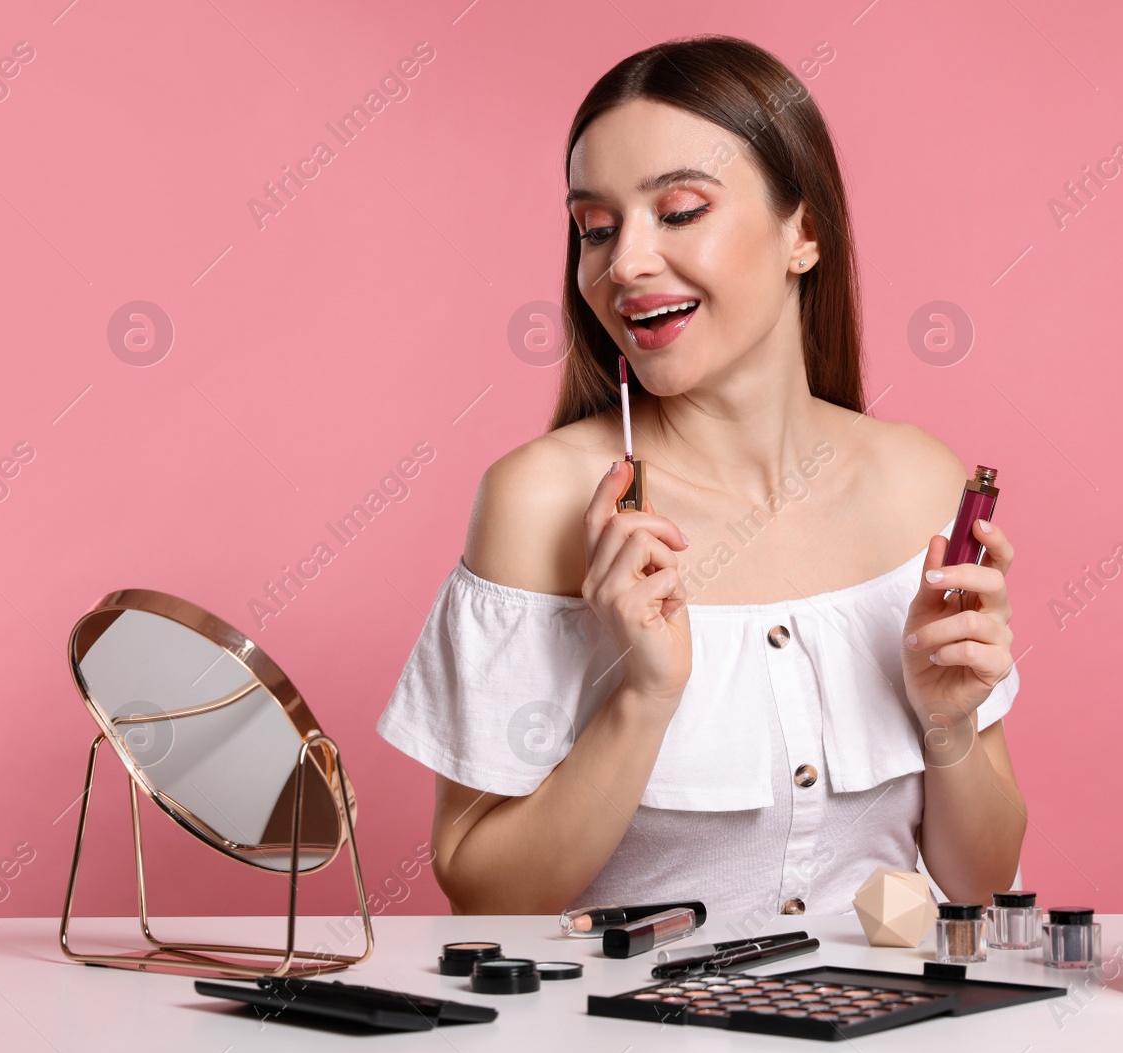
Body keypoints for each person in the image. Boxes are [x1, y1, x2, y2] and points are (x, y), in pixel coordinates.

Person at [377, 35, 1026, 917]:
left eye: (679, 210)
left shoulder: (917, 484)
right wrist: (643, 697)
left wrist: (948, 725)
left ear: (802, 232)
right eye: (595, 228)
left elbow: (980, 884)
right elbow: (486, 896)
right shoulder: (543, 503)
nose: (623, 263)